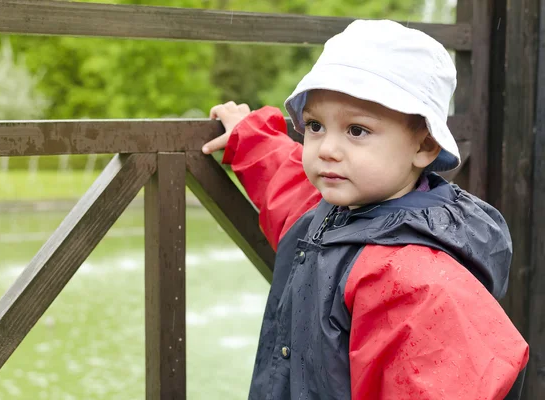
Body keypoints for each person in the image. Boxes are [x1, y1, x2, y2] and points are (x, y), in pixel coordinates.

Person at [202, 20, 529, 400]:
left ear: (424, 146)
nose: (326, 149)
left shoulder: (416, 281)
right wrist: (251, 137)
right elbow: (290, 187)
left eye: (356, 130)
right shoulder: (331, 211)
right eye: (315, 125)